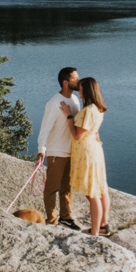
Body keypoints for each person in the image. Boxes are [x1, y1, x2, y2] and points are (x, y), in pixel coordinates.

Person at [38, 67, 82, 229]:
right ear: (65, 82)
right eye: (75, 78)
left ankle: (66, 217)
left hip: (72, 151)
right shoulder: (54, 103)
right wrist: (41, 149)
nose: (79, 80)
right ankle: (52, 220)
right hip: (57, 151)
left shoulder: (75, 100)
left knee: (67, 186)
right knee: (51, 188)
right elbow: (45, 128)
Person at [68, 76, 110, 237]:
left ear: (87, 90)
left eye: (80, 88)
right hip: (95, 150)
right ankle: (103, 225)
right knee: (100, 189)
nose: (78, 91)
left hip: (87, 153)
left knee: (92, 193)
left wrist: (69, 117)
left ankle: (95, 232)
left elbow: (78, 135)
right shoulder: (98, 108)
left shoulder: (88, 111)